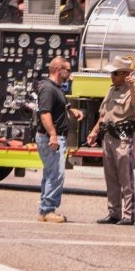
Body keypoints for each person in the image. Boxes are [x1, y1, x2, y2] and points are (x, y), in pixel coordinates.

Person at [87, 55, 135, 226]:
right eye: (112, 73)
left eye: (116, 73)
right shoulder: (111, 90)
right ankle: (114, 212)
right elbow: (103, 114)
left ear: (126, 74)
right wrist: (94, 132)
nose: (112, 76)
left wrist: (131, 86)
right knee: (110, 177)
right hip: (108, 138)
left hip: (122, 139)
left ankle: (128, 215)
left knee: (125, 178)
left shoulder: (132, 91)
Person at [35, 56, 84, 223]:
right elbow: (45, 113)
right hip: (51, 138)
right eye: (68, 70)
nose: (70, 73)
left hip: (53, 137)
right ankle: (48, 210)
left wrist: (71, 111)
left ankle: (44, 210)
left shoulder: (56, 87)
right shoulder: (48, 89)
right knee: (56, 174)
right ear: (58, 70)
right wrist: (53, 135)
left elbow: (59, 104)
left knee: (51, 173)